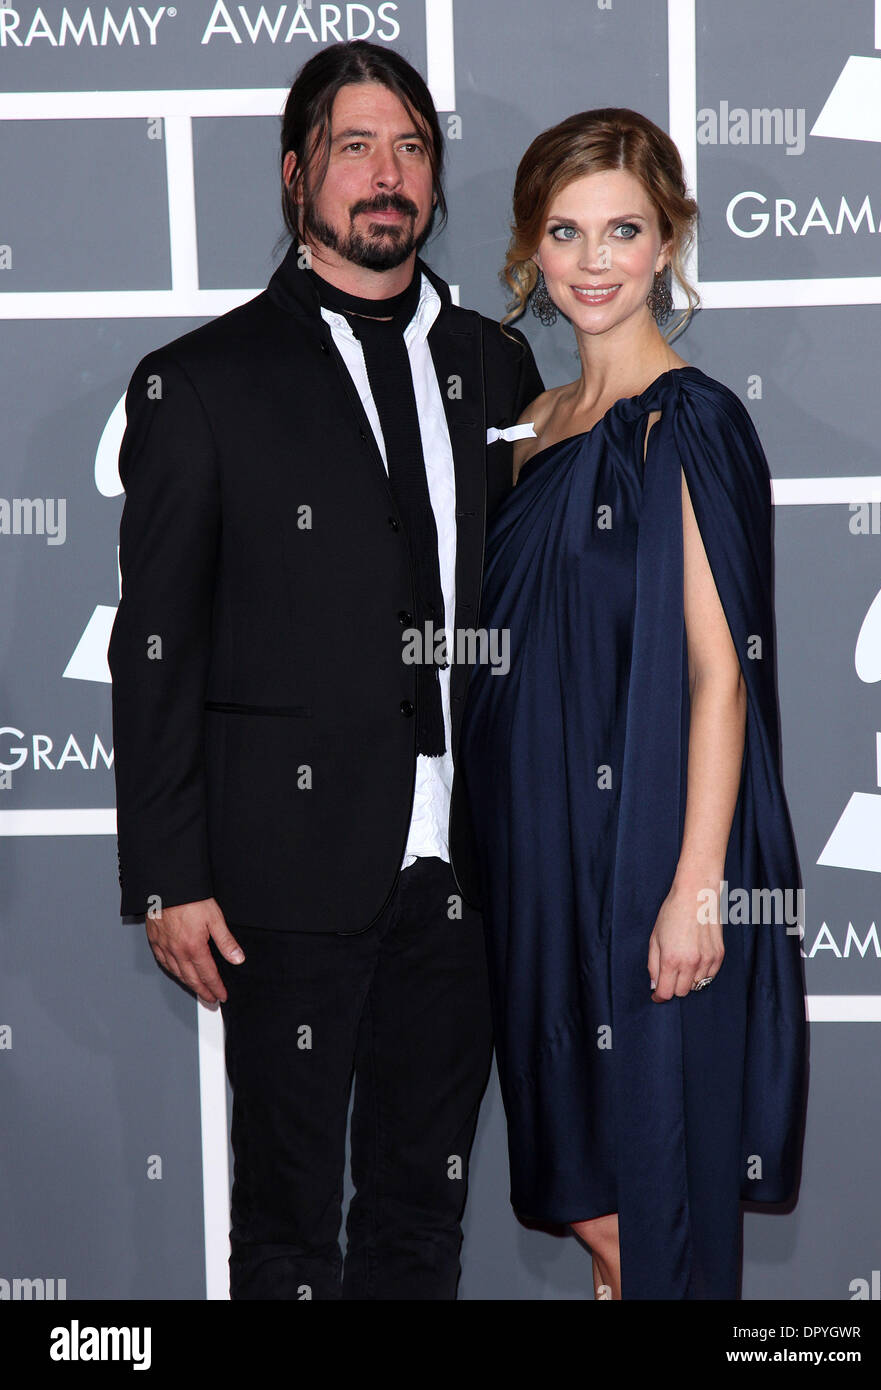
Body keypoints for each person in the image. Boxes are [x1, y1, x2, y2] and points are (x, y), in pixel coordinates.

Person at [107, 40, 543, 1300]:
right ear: (296, 174)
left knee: (420, 1216)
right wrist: (169, 876)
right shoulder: (202, 382)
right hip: (283, 874)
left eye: (410, 147)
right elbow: (157, 646)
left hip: (463, 869)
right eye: (355, 147)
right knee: (290, 1230)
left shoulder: (494, 367)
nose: (386, 174)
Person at [458, 107, 807, 1301]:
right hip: (529, 869)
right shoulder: (522, 433)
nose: (593, 261)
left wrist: (694, 886)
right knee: (585, 1204)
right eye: (565, 232)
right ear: (530, 253)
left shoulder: (691, 421)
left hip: (639, 863)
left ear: (666, 243)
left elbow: (721, 673)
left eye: (622, 230)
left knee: (648, 1211)